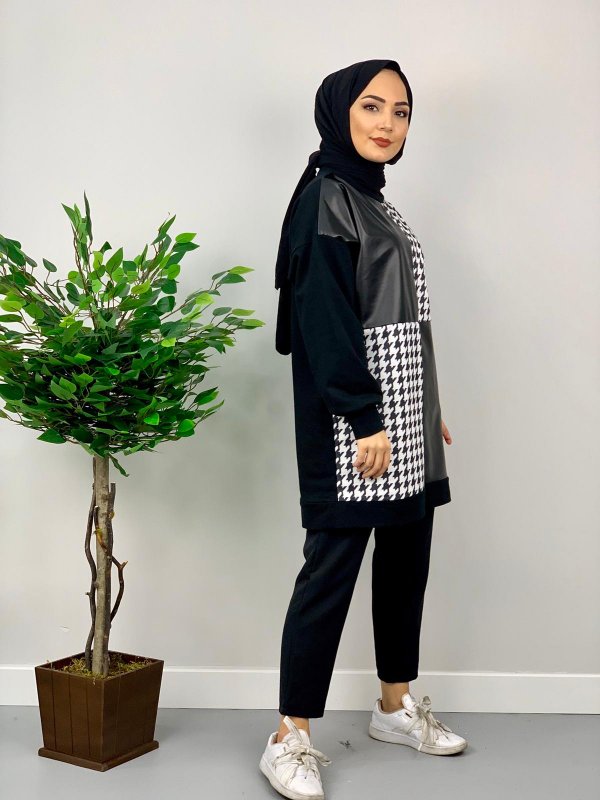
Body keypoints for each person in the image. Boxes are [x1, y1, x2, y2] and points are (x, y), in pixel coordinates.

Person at [259, 59, 467, 800]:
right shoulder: (325, 197)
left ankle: (393, 706)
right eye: (372, 106)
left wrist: (425, 409)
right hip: (357, 420)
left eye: (401, 111)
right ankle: (289, 735)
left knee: (406, 557)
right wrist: (364, 415)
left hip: (402, 416)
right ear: (339, 111)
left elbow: (398, 312)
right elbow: (325, 319)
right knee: (331, 569)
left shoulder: (373, 200)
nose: (387, 123)